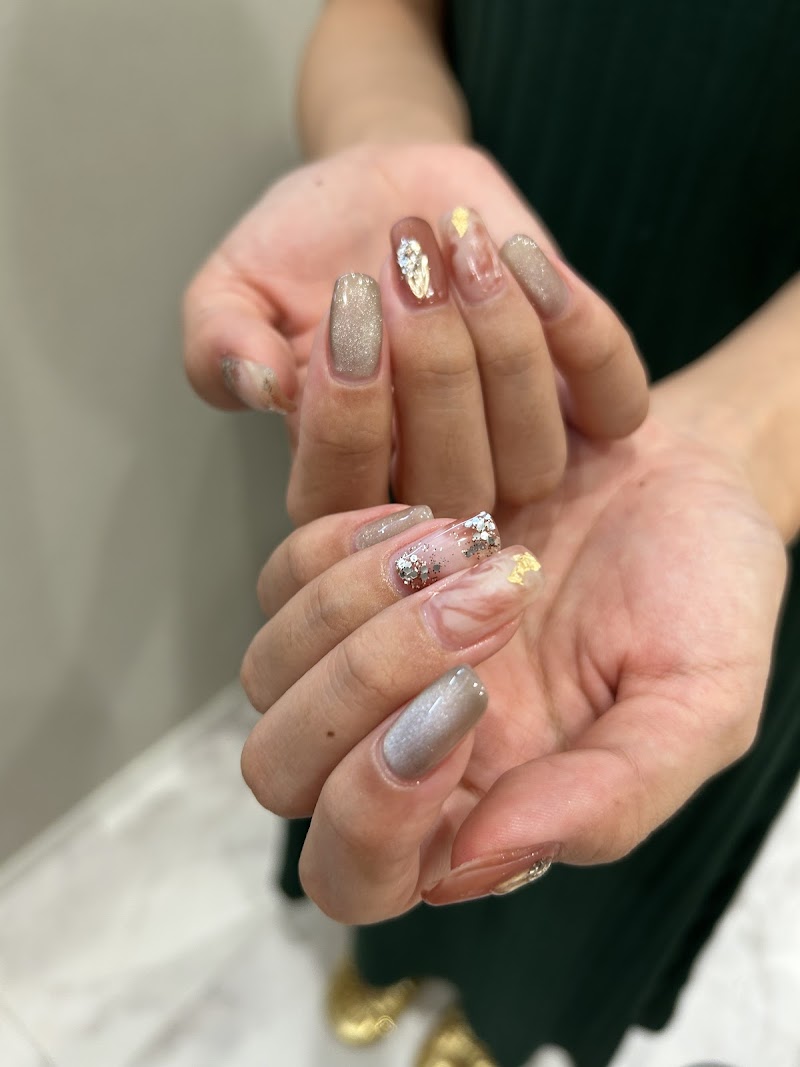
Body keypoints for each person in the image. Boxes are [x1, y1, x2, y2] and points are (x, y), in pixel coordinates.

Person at [183, 2, 800, 1065]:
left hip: (766, 440)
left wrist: (742, 444)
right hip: (463, 355)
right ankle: (391, 956)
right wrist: (392, 148)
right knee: (398, 738)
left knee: (587, 770)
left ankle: (500, 1021)